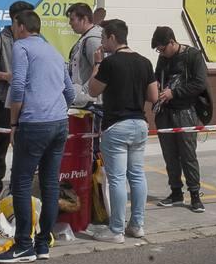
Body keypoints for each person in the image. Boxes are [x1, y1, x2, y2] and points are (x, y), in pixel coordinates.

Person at [0, 9, 74, 264]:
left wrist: (14, 122)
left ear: (20, 26)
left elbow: (17, 86)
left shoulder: (21, 47)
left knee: (22, 183)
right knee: (50, 183)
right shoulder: (52, 50)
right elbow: (69, 91)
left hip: (34, 123)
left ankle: (23, 245)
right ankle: (42, 244)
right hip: (60, 122)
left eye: (14, 25)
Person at [87, 19, 157, 243]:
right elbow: (153, 97)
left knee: (116, 179)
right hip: (140, 124)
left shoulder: (110, 63)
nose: (102, 43)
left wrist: (97, 63)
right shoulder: (145, 62)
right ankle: (137, 225)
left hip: (116, 125)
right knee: (137, 176)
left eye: (103, 38)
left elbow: (92, 90)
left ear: (112, 38)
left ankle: (116, 230)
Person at [0, 0, 33, 208]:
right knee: (0, 146)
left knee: (27, 146)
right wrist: (5, 75)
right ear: (15, 20)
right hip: (4, 102)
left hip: (29, 102)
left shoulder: (37, 40)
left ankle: (21, 188)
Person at [152, 25, 208, 213]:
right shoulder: (162, 58)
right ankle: (176, 192)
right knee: (169, 155)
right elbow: (156, 76)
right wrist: (157, 87)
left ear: (172, 42)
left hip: (185, 112)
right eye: (158, 51)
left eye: (162, 49)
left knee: (188, 155)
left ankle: (194, 195)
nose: (161, 53)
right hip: (164, 113)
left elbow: (200, 84)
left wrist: (174, 93)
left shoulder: (193, 56)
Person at [66, 2, 104, 107]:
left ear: (84, 19)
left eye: (72, 19)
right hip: (86, 101)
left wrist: (83, 92)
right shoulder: (86, 38)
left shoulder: (92, 40)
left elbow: (101, 70)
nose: (70, 23)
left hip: (91, 103)